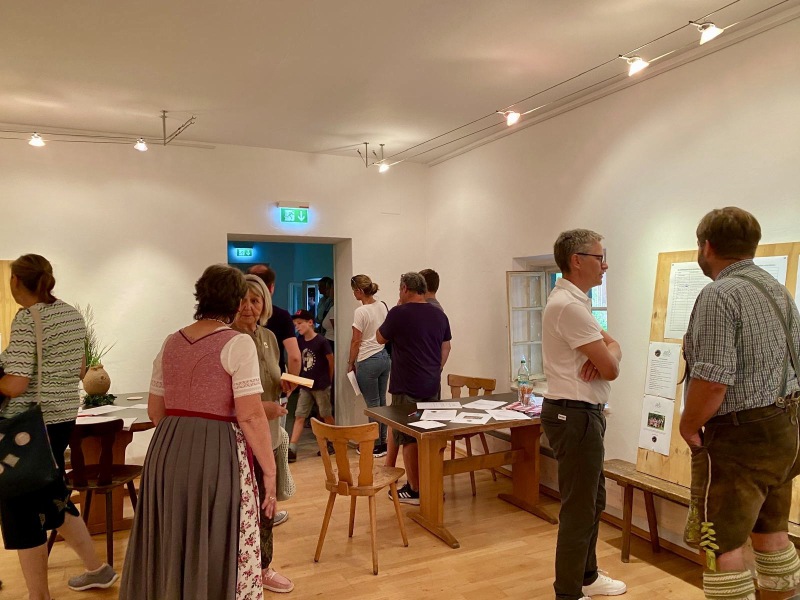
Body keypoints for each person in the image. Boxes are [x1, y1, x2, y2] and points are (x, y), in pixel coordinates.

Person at [120, 265, 276, 600]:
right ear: (237, 302)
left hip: (166, 449)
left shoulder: (170, 342)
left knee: (171, 531)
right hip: (216, 451)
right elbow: (250, 415)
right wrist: (270, 470)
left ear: (200, 296)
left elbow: (155, 411)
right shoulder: (238, 343)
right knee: (214, 531)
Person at [679, 207, 800, 600]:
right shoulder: (777, 289)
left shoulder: (720, 294)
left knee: (719, 542)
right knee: (773, 530)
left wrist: (687, 424)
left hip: (739, 438)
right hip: (785, 429)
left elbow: (713, 380)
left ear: (706, 246)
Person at [0, 254, 118, 600]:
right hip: (62, 419)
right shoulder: (71, 314)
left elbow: (16, 384)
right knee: (52, 497)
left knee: (20, 507)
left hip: (28, 427)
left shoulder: (27, 318)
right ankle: (97, 569)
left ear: (16, 281)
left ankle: (39, 595)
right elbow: (80, 368)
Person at [540, 230, 625, 600]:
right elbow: (612, 368)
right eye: (599, 257)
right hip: (574, 416)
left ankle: (587, 576)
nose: (605, 265)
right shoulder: (569, 307)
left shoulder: (575, 303)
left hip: (581, 415)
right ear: (577, 260)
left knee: (594, 501)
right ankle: (569, 592)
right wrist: (607, 358)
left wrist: (608, 355)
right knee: (579, 508)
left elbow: (613, 348)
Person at [232, 275, 293, 593]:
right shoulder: (227, 338)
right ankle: (239, 569)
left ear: (264, 305)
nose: (248, 307)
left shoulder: (268, 336)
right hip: (238, 439)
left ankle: (263, 567)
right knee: (242, 509)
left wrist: (283, 384)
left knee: (267, 506)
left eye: (254, 300)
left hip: (269, 436)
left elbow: (270, 379)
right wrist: (261, 408)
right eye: (242, 300)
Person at [376, 272, 451, 505]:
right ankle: (430, 484)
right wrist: (436, 369)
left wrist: (397, 307)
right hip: (431, 384)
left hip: (406, 385)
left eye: (400, 289)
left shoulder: (399, 313)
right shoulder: (439, 315)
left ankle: (415, 489)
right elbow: (446, 346)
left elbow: (379, 338)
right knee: (427, 435)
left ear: (405, 288)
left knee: (407, 437)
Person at [347, 274, 391, 458]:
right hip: (384, 357)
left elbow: (356, 341)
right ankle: (383, 443)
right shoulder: (382, 305)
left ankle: (374, 444)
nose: (353, 294)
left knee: (372, 404)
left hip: (368, 359)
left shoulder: (361, 311)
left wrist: (350, 362)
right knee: (382, 402)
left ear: (359, 291)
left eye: (353, 291)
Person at [288, 310, 334, 460]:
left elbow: (330, 361)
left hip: (321, 385)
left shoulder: (321, 341)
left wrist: (328, 380)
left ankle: (333, 441)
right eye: (295, 324)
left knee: (325, 414)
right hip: (305, 384)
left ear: (310, 323)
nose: (297, 326)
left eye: (300, 323)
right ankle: (292, 447)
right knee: (300, 415)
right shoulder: (299, 341)